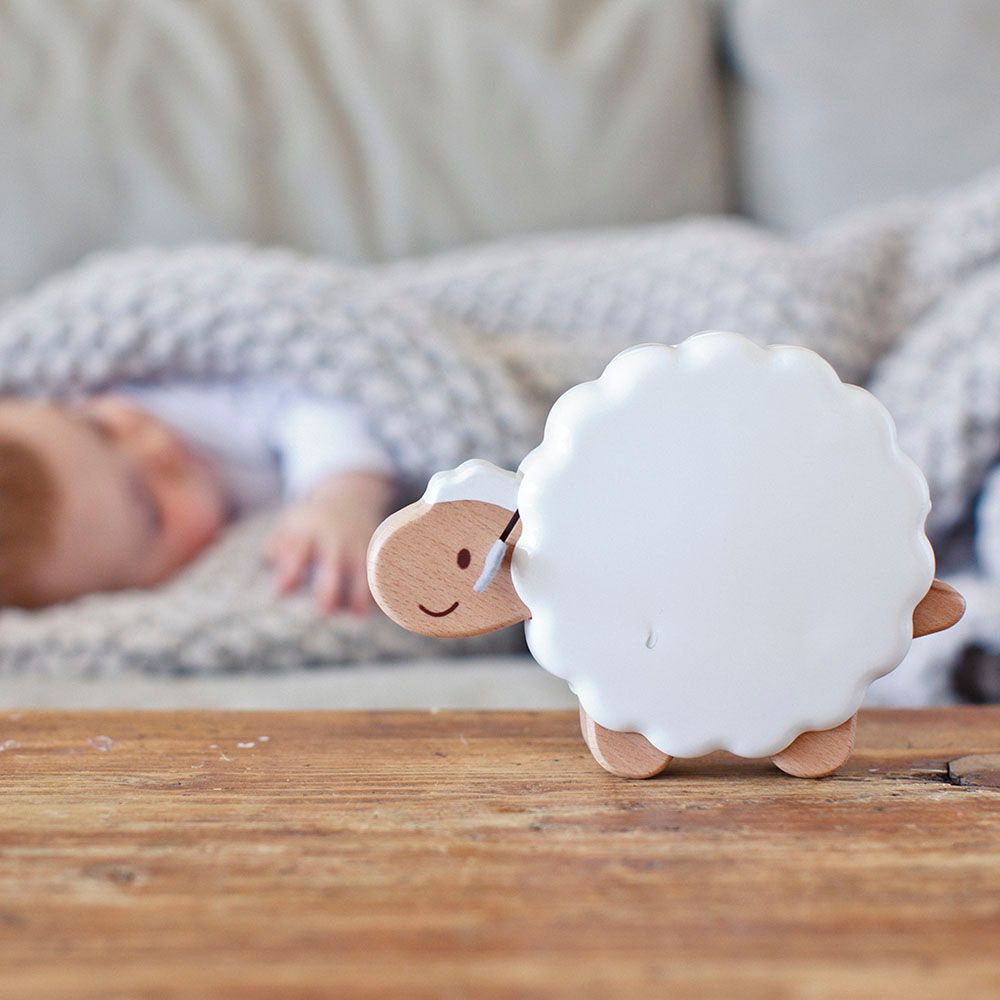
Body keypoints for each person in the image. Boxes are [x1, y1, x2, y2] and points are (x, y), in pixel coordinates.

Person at [0, 381, 396, 613]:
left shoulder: (180, 401)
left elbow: (312, 398)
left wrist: (340, 497)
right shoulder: (213, 591)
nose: (156, 446)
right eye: (151, 508)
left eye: (101, 427)